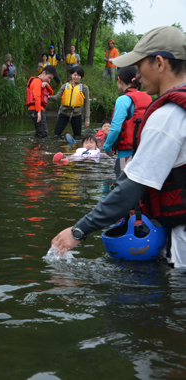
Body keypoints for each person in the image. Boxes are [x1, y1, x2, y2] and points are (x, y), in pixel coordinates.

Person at [51, 26, 186, 267]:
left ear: (159, 63)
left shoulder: (167, 117)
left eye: (139, 64)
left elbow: (130, 189)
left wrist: (78, 231)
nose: (137, 74)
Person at [102, 66, 152, 178]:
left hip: (126, 155)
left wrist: (107, 147)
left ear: (119, 80)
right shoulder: (148, 97)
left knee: (122, 189)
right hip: (145, 155)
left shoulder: (123, 100)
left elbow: (115, 129)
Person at [49, 66, 90, 137]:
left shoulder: (84, 88)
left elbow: (87, 103)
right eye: (75, 75)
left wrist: (87, 119)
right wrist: (47, 97)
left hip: (77, 114)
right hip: (64, 113)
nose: (76, 77)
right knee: (56, 135)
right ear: (71, 75)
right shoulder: (65, 86)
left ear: (81, 76)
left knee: (77, 136)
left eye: (79, 75)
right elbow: (56, 97)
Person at [26, 65, 56, 138]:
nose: (49, 80)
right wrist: (38, 112)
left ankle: (36, 148)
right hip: (36, 109)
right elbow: (37, 97)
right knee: (43, 133)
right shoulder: (37, 81)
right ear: (43, 73)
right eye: (49, 77)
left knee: (40, 132)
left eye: (51, 79)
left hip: (37, 109)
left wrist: (47, 85)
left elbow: (51, 92)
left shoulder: (43, 82)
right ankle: (40, 148)